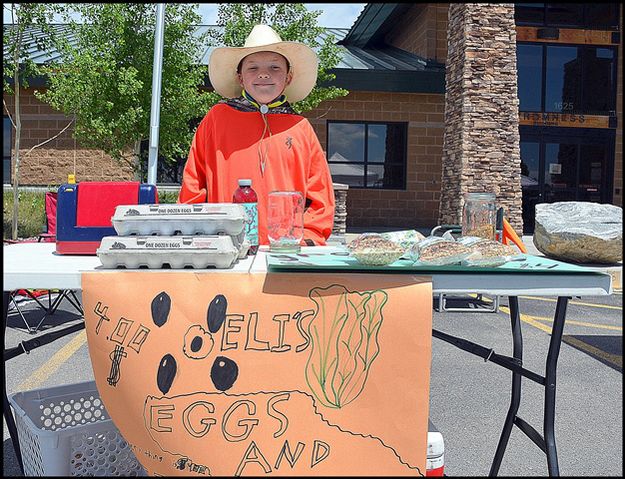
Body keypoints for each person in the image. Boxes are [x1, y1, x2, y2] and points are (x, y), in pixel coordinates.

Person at [178, 24, 335, 246]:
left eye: (274, 67)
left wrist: (308, 238)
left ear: (288, 78)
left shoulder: (300, 127)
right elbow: (194, 182)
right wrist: (194, 235)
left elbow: (321, 193)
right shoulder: (217, 118)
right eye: (252, 68)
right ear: (240, 77)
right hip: (225, 246)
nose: (263, 74)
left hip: (287, 250)